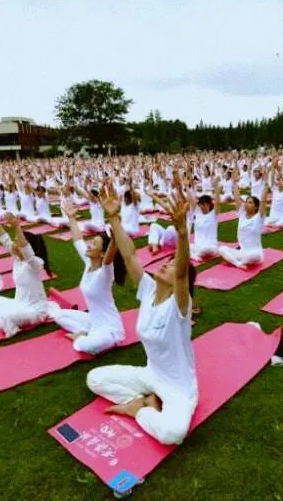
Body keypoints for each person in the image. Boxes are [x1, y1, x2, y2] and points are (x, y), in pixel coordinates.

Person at [85, 177, 198, 446]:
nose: (166, 265)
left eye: (171, 265)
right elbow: (130, 255)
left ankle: (141, 410)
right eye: (167, 262)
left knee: (173, 434)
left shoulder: (179, 305)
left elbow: (182, 274)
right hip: (151, 375)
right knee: (94, 378)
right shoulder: (147, 290)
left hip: (178, 387)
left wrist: (182, 234)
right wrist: (113, 219)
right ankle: (142, 399)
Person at [47, 203, 127, 355]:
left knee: (87, 346)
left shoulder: (105, 273)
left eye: (94, 245)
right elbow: (78, 240)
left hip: (109, 328)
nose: (89, 246)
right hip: (93, 320)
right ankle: (84, 332)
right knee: (58, 315)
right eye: (91, 243)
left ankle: (82, 337)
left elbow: (110, 256)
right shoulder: (88, 263)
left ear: (102, 253)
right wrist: (71, 218)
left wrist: (115, 236)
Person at [0, 214, 53, 337]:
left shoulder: (36, 263)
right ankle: (5, 320)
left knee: (5, 315)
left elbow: (27, 253)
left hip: (35, 310)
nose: (13, 244)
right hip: (19, 304)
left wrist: (17, 227)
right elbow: (5, 238)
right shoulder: (18, 259)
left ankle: (11, 328)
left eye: (17, 242)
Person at [217, 167, 269, 270]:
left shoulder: (259, 218)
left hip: (255, 254)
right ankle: (238, 264)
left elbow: (263, 201)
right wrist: (235, 182)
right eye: (246, 202)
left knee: (254, 256)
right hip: (242, 253)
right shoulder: (242, 214)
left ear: (256, 207)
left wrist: (266, 183)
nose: (246, 204)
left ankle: (235, 262)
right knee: (222, 249)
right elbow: (236, 197)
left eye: (250, 202)